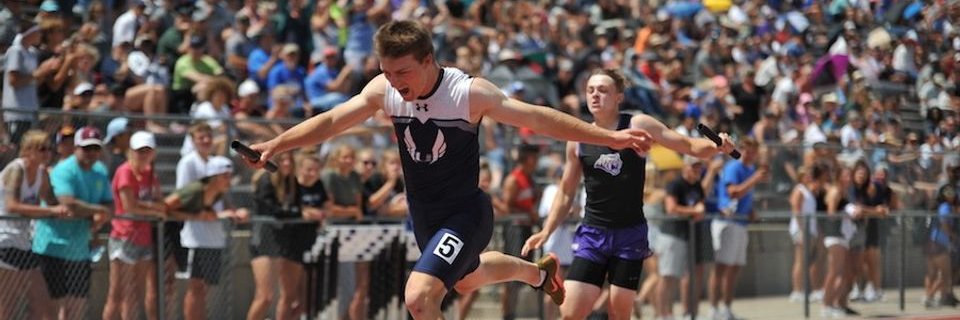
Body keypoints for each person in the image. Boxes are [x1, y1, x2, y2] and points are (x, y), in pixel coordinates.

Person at [246, 20, 653, 319]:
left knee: (420, 297)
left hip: (465, 213)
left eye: (403, 72)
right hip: (424, 216)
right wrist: (276, 143)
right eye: (387, 73)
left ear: (428, 61)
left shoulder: (466, 93)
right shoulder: (383, 89)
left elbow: (539, 117)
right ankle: (537, 274)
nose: (395, 82)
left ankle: (533, 274)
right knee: (467, 279)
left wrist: (610, 138)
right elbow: (333, 120)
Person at [522, 69, 735, 319]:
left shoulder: (638, 125)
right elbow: (567, 192)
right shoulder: (577, 137)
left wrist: (716, 146)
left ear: (618, 97)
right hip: (593, 234)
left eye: (603, 90)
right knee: (570, 313)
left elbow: (686, 145)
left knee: (619, 312)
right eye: (590, 90)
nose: (595, 96)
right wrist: (546, 230)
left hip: (629, 235)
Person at [34, 126, 112, 320]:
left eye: (95, 148)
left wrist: (101, 213)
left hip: (79, 249)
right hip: (53, 246)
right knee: (51, 307)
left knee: (76, 306)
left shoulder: (100, 170)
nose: (92, 153)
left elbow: (109, 201)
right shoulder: (64, 170)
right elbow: (67, 203)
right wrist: (98, 211)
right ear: (76, 148)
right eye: (86, 148)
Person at [164, 156, 249, 320]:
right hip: (188, 240)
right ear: (214, 176)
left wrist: (237, 213)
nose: (229, 180)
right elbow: (165, 207)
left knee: (203, 288)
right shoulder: (195, 190)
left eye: (230, 175)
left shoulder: (219, 194)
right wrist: (196, 216)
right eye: (225, 175)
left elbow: (219, 212)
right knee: (195, 287)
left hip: (210, 243)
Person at [0, 130, 69, 320]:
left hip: (24, 242)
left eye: (49, 149)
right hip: (4, 241)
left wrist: (74, 209)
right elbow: (12, 206)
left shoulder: (42, 173)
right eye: (42, 149)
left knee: (42, 306)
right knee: (7, 307)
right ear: (28, 151)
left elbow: (53, 202)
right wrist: (51, 211)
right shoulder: (17, 169)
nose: (48, 153)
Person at [103, 131, 165, 320]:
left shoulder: (149, 174)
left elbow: (160, 201)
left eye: (148, 150)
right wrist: (154, 210)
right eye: (140, 150)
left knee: (133, 295)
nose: (144, 154)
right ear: (131, 151)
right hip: (124, 237)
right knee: (118, 295)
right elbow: (129, 206)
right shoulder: (125, 171)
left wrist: (152, 207)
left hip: (143, 238)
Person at [709, 138, 766, 320]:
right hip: (727, 222)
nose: (749, 154)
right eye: (746, 150)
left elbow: (743, 198)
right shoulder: (734, 167)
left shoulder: (749, 170)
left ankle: (726, 309)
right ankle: (713, 310)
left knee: (733, 271)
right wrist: (755, 179)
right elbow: (733, 192)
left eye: (752, 151)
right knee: (721, 269)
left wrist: (751, 212)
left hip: (740, 223)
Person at [655, 156, 707, 320]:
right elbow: (671, 208)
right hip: (671, 235)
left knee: (681, 277)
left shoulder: (697, 185)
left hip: (686, 236)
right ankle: (662, 315)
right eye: (693, 167)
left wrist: (697, 212)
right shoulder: (675, 184)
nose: (696, 170)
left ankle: (676, 314)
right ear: (685, 167)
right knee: (666, 277)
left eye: (698, 167)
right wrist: (694, 211)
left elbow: (700, 207)